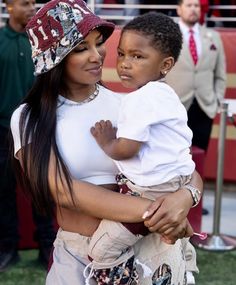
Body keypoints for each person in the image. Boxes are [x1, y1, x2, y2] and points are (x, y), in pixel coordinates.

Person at [10, 0, 203, 284]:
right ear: (53, 58)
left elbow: (184, 166)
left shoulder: (129, 104)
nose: (97, 55)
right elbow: (64, 191)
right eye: (80, 48)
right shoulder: (29, 118)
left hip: (149, 251)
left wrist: (185, 198)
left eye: (99, 43)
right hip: (79, 256)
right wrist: (159, 213)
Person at [89, 11, 200, 284]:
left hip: (151, 191)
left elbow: (127, 149)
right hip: (177, 181)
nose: (125, 64)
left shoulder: (140, 99)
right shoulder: (165, 94)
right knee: (159, 230)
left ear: (166, 64)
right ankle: (178, 236)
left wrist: (107, 142)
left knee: (100, 250)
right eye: (122, 53)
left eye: (138, 57)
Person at [0, 0, 56, 272]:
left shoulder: (42, 41)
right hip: (1, 131)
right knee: (3, 192)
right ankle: (7, 248)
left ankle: (47, 248)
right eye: (24, 4)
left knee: (42, 190)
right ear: (9, 7)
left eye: (34, 3)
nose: (32, 8)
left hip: (38, 128)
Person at [166, 0, 226, 154]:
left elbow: (220, 75)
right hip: (174, 106)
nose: (193, 9)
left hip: (204, 107)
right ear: (179, 10)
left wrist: (217, 98)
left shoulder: (214, 37)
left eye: (196, 6)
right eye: (189, 5)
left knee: (199, 156)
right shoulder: (168, 36)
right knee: (174, 155)